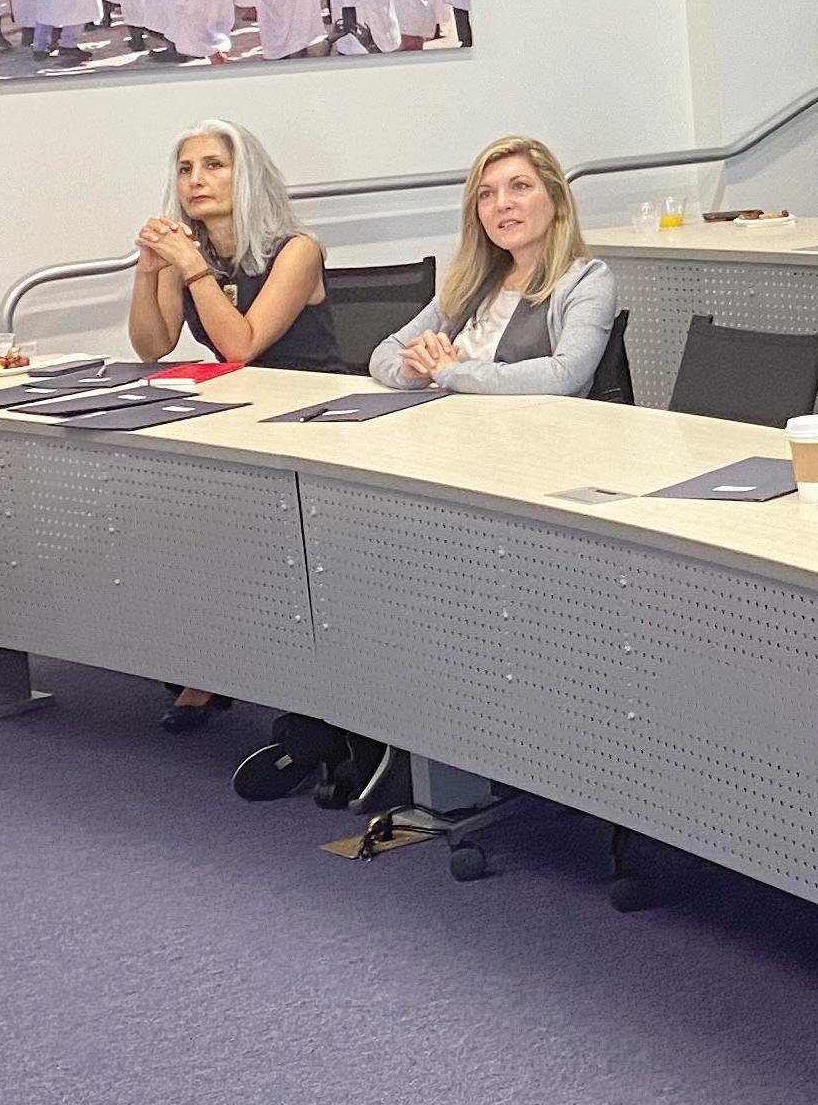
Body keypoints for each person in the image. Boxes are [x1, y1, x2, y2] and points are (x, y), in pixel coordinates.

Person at [127, 120, 337, 730]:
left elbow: (241, 345)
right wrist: (148, 270)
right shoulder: (190, 256)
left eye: (214, 165)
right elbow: (151, 344)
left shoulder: (297, 250)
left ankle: (276, 664)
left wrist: (191, 268)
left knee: (236, 526)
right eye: (185, 169)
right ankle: (209, 658)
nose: (196, 180)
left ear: (247, 176)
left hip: (307, 418)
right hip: (238, 416)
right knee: (181, 518)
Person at [369, 136, 616, 396]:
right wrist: (411, 370)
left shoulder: (586, 280)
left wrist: (450, 373)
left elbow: (565, 374)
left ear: (558, 202)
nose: (502, 204)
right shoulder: (471, 284)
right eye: (486, 194)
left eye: (520, 186)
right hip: (454, 417)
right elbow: (385, 352)